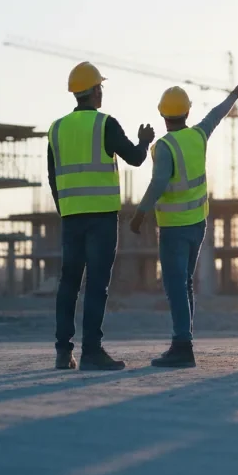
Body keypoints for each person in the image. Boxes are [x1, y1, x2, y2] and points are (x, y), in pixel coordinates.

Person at [126, 79, 238, 368]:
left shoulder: (164, 146)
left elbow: (158, 183)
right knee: (185, 285)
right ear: (187, 112)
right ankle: (185, 341)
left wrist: (140, 213)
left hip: (173, 228)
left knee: (176, 286)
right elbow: (216, 115)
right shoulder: (198, 135)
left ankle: (182, 346)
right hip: (198, 225)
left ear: (162, 115)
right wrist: (233, 94)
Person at [49, 61, 154, 371]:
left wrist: (65, 209)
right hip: (102, 217)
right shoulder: (104, 124)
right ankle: (91, 352)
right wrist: (145, 142)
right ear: (95, 91)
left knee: (68, 283)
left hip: (71, 217)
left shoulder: (56, 128)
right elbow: (134, 159)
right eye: (101, 88)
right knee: (96, 284)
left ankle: (62, 352)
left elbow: (53, 176)